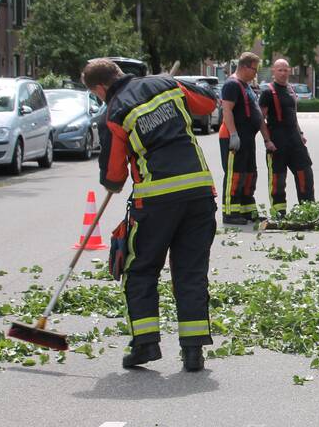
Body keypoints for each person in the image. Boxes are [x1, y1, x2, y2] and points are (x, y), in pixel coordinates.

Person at [82, 58, 218, 372]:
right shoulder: (165, 84)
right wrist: (172, 88)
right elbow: (208, 103)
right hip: (198, 193)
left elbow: (113, 177)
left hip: (156, 201)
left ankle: (145, 344)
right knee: (191, 272)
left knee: (140, 270)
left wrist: (116, 178)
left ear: (100, 88)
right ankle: (193, 351)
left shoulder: (113, 113)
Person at [219, 53, 275, 225]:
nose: (255, 73)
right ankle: (230, 213)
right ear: (244, 67)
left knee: (249, 175)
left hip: (248, 138)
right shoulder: (232, 85)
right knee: (235, 175)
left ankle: (247, 211)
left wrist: (266, 139)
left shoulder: (247, 87)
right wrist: (233, 134)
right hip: (234, 137)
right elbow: (227, 110)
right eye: (254, 69)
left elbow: (257, 114)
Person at [259, 58, 314, 216]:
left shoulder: (290, 90)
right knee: (278, 178)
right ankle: (279, 212)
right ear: (274, 71)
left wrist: (300, 134)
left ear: (289, 71)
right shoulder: (268, 92)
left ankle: (308, 209)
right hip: (277, 141)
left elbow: (293, 117)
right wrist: (267, 140)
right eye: (280, 70)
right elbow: (260, 119)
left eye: (285, 70)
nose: (283, 73)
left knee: (305, 173)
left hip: (294, 139)